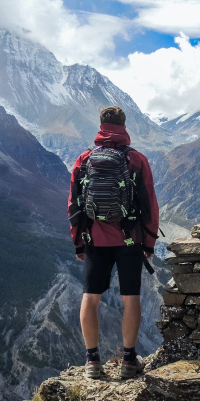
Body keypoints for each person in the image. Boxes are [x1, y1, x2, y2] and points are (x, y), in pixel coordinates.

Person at [68, 106, 159, 379]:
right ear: (124, 125)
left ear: (100, 125)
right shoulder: (137, 160)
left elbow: (74, 205)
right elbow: (150, 205)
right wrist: (149, 243)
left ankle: (92, 362)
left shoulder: (84, 160)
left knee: (91, 297)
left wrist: (78, 243)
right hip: (130, 239)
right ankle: (129, 360)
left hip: (95, 238)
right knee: (131, 298)